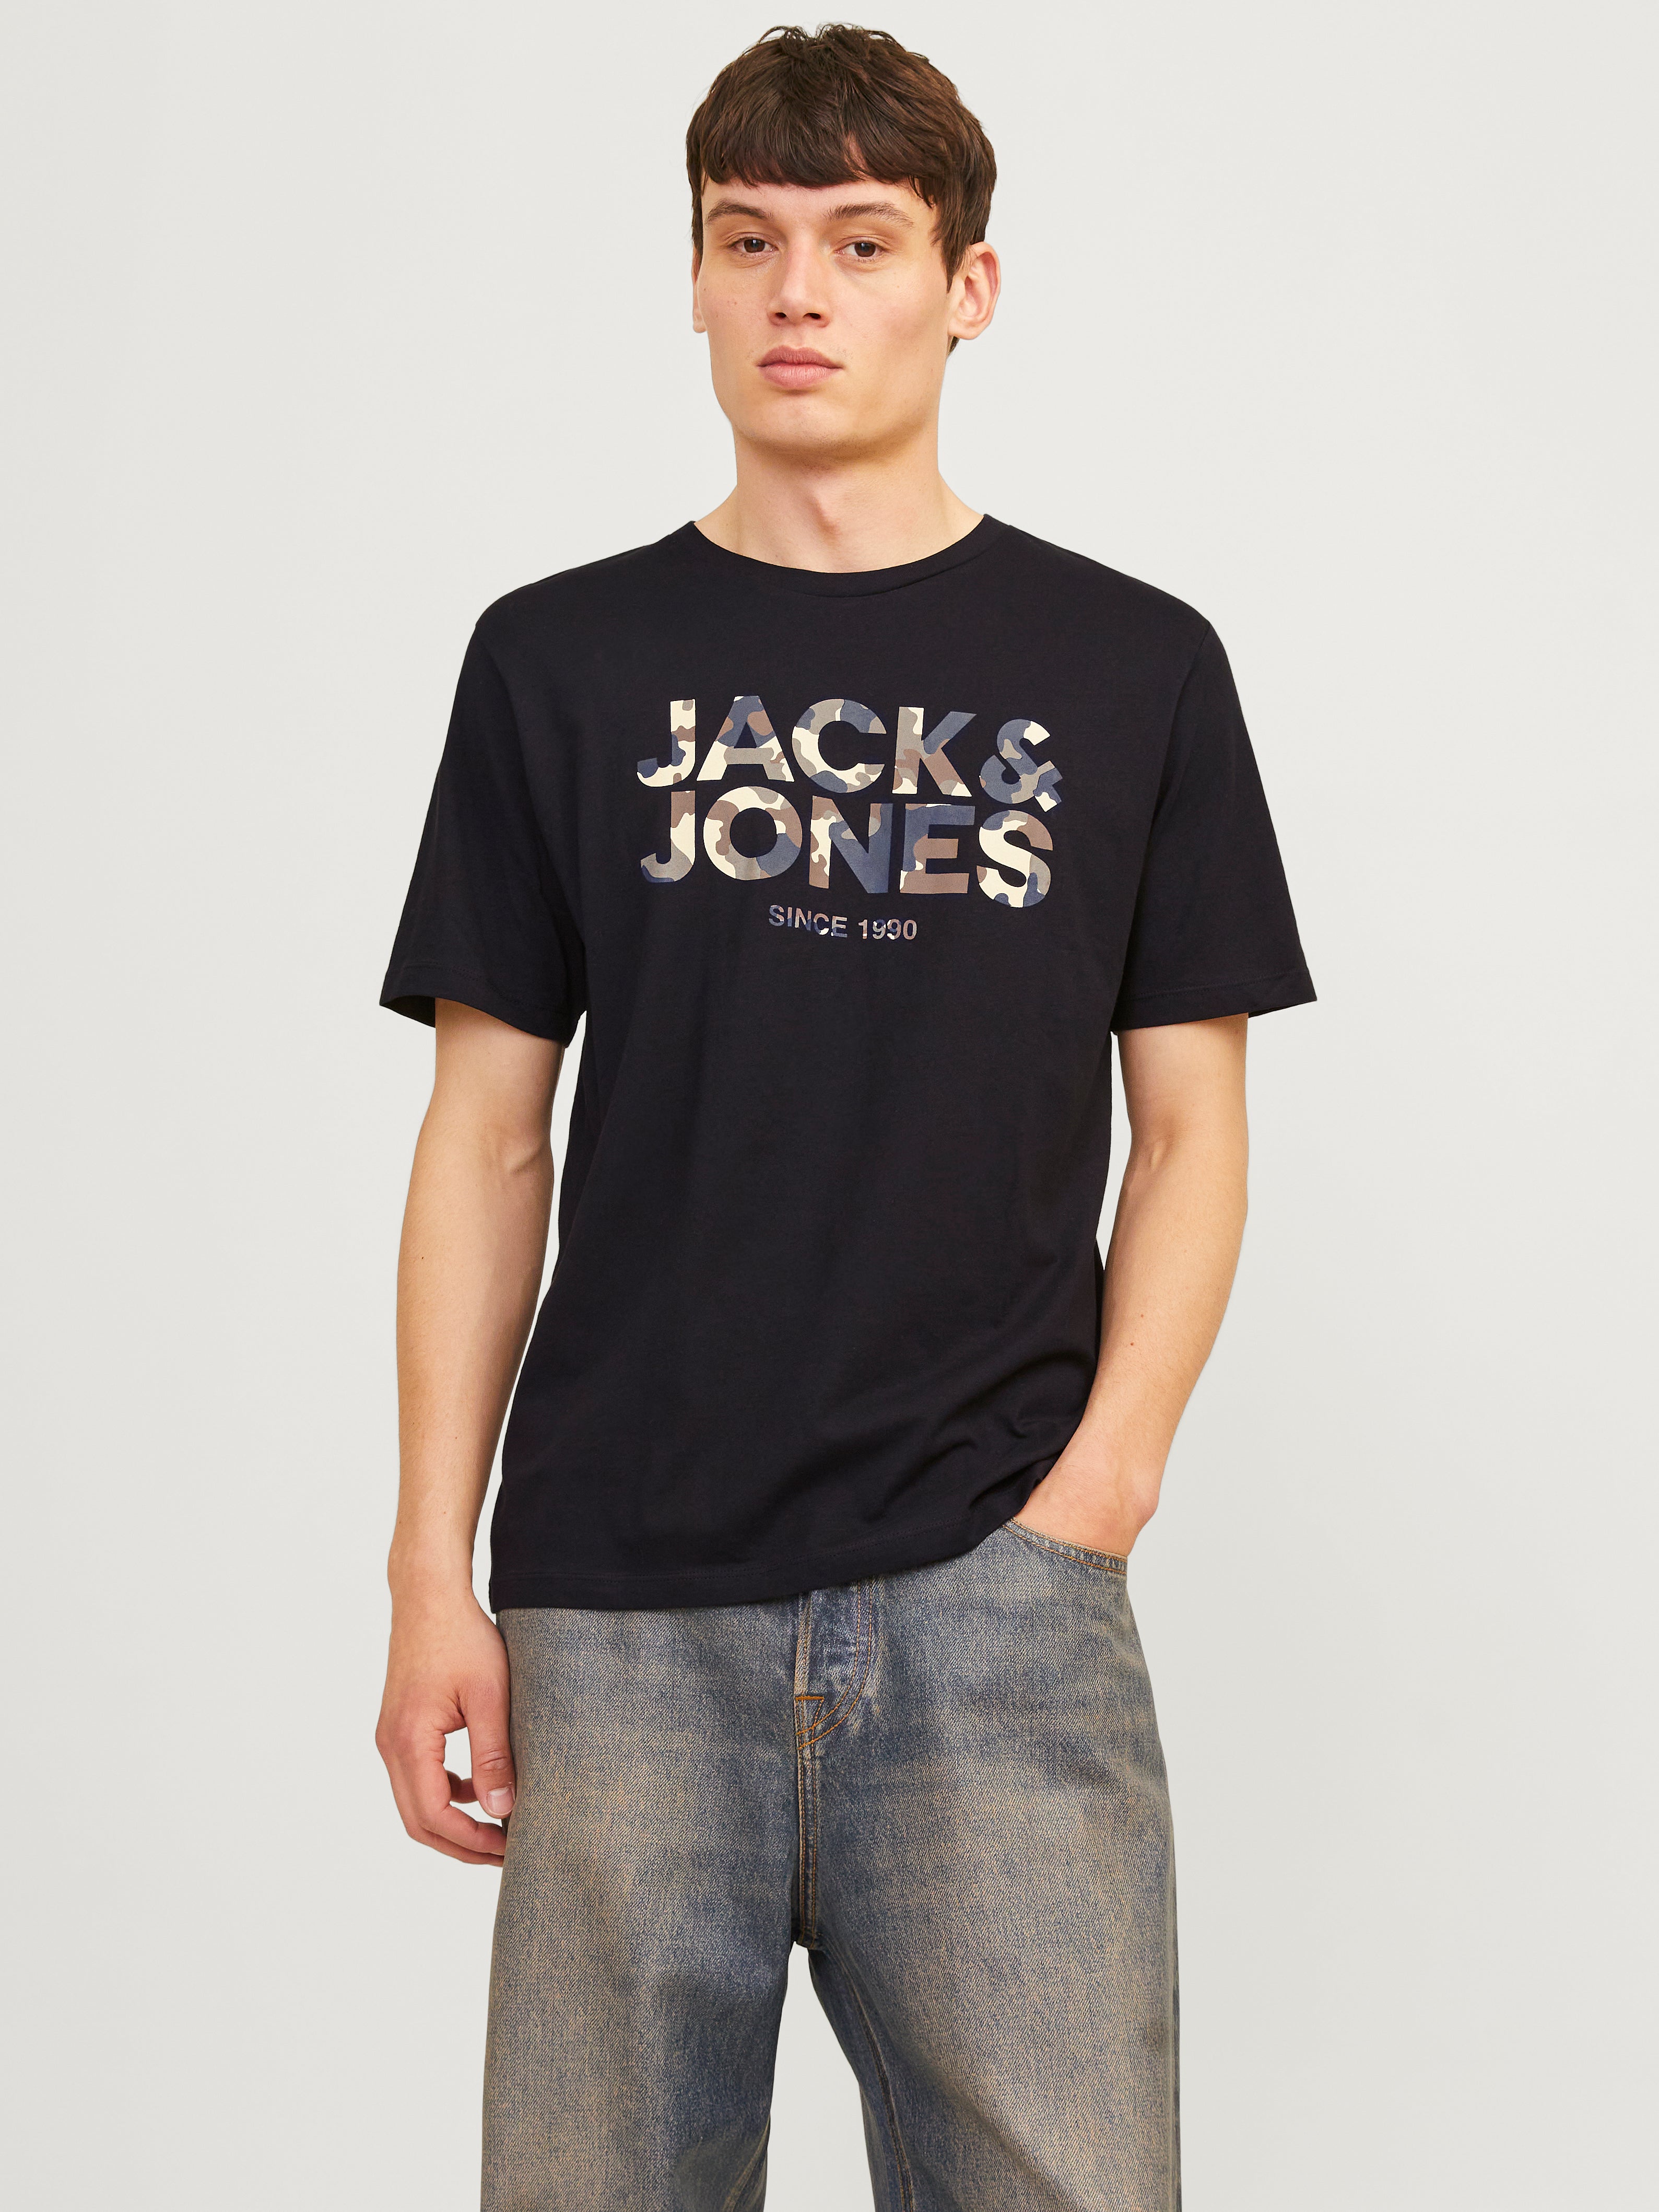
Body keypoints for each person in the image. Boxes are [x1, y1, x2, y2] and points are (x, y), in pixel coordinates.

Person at [375, 24, 1313, 2210]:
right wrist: (434, 1568)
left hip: (997, 1592)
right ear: (696, 279)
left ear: (966, 287)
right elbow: (486, 1137)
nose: (799, 291)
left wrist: (1093, 1502)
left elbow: (1192, 1130)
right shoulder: (556, 662)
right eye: (750, 239)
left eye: (863, 242)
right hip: (617, 1608)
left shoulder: (1133, 667)